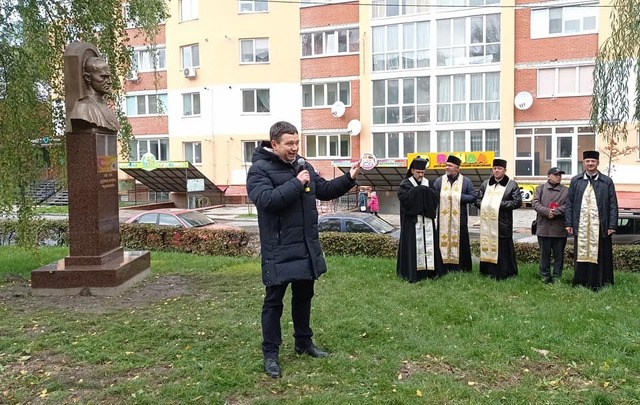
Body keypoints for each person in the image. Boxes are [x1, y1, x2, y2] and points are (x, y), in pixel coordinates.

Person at [246, 121, 360, 379]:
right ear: (274, 144)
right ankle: (271, 353)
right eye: (289, 143)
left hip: (305, 247)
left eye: (297, 142)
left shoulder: (302, 165)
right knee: (273, 303)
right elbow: (266, 200)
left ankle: (304, 343)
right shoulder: (259, 170)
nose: (295, 148)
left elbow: (324, 190)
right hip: (278, 249)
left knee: (303, 297)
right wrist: (297, 183)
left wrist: (349, 178)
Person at [565, 150, 618, 291]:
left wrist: (612, 225)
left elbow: (613, 204)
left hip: (601, 226)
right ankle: (581, 282)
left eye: (593, 161)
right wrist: (569, 223)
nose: (590, 163)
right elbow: (569, 203)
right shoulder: (576, 181)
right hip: (581, 225)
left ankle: (599, 282)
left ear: (597, 163)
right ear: (583, 163)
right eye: (587, 161)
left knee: (601, 254)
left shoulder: (607, 181)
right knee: (581, 253)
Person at [396, 156, 443, 282]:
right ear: (412, 171)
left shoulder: (429, 183)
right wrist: (420, 192)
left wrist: (423, 192)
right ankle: (413, 273)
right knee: (413, 248)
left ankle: (430, 272)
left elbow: (435, 199)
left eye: (423, 172)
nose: (421, 175)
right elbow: (405, 200)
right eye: (418, 172)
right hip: (412, 223)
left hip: (427, 222)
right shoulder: (405, 184)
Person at [476, 159, 522, 280]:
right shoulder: (486, 184)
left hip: (503, 223)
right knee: (488, 245)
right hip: (487, 224)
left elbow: (517, 202)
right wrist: (484, 204)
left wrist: (499, 204)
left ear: (505, 170)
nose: (496, 171)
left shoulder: (511, 184)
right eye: (494, 168)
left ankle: (505, 273)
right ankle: (486, 272)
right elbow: (477, 200)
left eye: (499, 168)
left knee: (503, 248)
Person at [432, 155, 476, 273]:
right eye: (446, 165)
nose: (447, 167)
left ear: (457, 168)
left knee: (461, 245)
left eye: (450, 166)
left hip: (460, 221)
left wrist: (457, 196)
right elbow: (433, 197)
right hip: (443, 222)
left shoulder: (466, 181)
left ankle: (461, 268)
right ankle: (442, 268)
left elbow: (473, 197)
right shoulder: (439, 181)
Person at [532, 167, 568, 283]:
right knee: (544, 255)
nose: (559, 177)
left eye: (560, 175)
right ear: (548, 176)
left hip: (559, 228)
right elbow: (535, 203)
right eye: (556, 174)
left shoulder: (566, 190)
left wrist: (556, 212)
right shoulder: (540, 189)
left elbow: (569, 205)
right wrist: (547, 212)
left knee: (559, 255)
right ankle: (545, 275)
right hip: (543, 228)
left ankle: (557, 276)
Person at [68, 56, 120, 133]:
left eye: (109, 77)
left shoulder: (108, 109)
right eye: (103, 77)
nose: (109, 82)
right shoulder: (82, 107)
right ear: (88, 78)